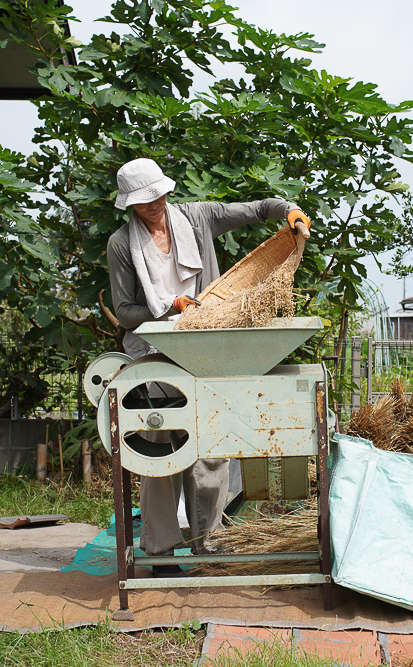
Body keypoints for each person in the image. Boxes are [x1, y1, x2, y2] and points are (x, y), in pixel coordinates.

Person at [107, 157, 310, 569]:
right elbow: (125, 311)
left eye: (160, 195)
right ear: (129, 204)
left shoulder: (197, 218)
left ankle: (209, 544)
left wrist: (288, 210)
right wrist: (169, 308)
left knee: (213, 445)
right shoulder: (121, 244)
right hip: (154, 351)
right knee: (160, 445)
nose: (156, 204)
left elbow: (255, 210)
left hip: (210, 345)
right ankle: (161, 551)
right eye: (145, 201)